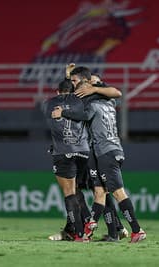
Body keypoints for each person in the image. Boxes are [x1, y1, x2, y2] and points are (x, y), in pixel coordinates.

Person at [52, 66, 146, 243]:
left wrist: (63, 112)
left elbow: (85, 112)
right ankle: (93, 225)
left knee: (118, 193)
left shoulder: (94, 103)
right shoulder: (108, 102)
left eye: (75, 82)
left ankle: (136, 230)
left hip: (106, 151)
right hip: (103, 150)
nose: (75, 86)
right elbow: (109, 93)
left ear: (88, 84)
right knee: (100, 192)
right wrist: (71, 78)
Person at [42, 79, 91, 242]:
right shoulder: (82, 101)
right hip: (83, 151)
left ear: (57, 91)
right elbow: (84, 114)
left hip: (63, 151)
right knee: (82, 190)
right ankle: (87, 223)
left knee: (69, 192)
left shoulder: (48, 103)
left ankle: (79, 233)